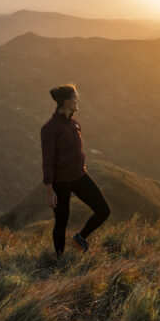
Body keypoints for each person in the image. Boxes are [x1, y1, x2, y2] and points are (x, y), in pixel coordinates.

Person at [40, 83, 111, 257]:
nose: (77, 100)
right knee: (61, 221)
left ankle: (80, 238)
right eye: (74, 98)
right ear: (65, 102)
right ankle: (59, 259)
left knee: (103, 210)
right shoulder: (50, 128)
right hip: (60, 182)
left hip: (80, 176)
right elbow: (47, 161)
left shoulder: (74, 124)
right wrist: (49, 189)